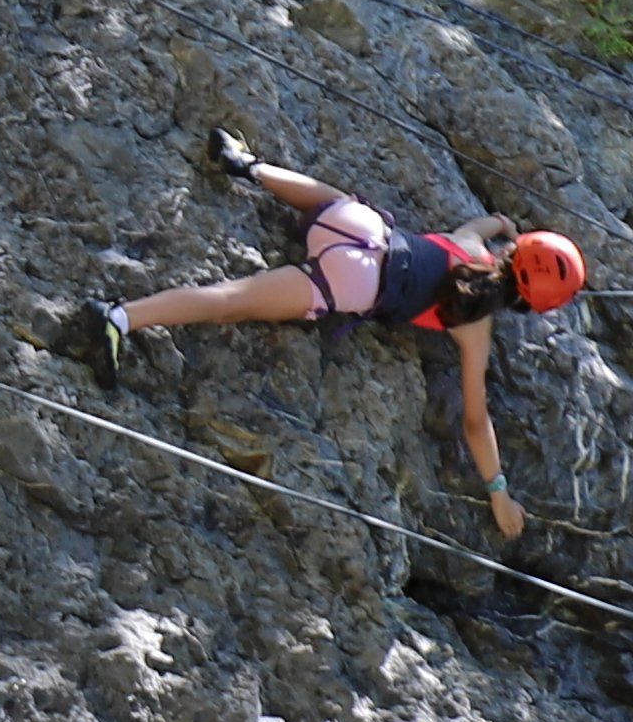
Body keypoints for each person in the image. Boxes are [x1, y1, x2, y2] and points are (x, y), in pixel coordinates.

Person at [65, 138, 586, 542]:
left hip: (359, 229)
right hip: (354, 282)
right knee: (234, 300)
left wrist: (499, 221)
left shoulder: (471, 244)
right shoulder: (475, 328)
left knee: (337, 198)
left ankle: (248, 166)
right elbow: (476, 420)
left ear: (515, 249)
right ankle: (118, 320)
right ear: (529, 304)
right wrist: (499, 493)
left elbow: (474, 226)